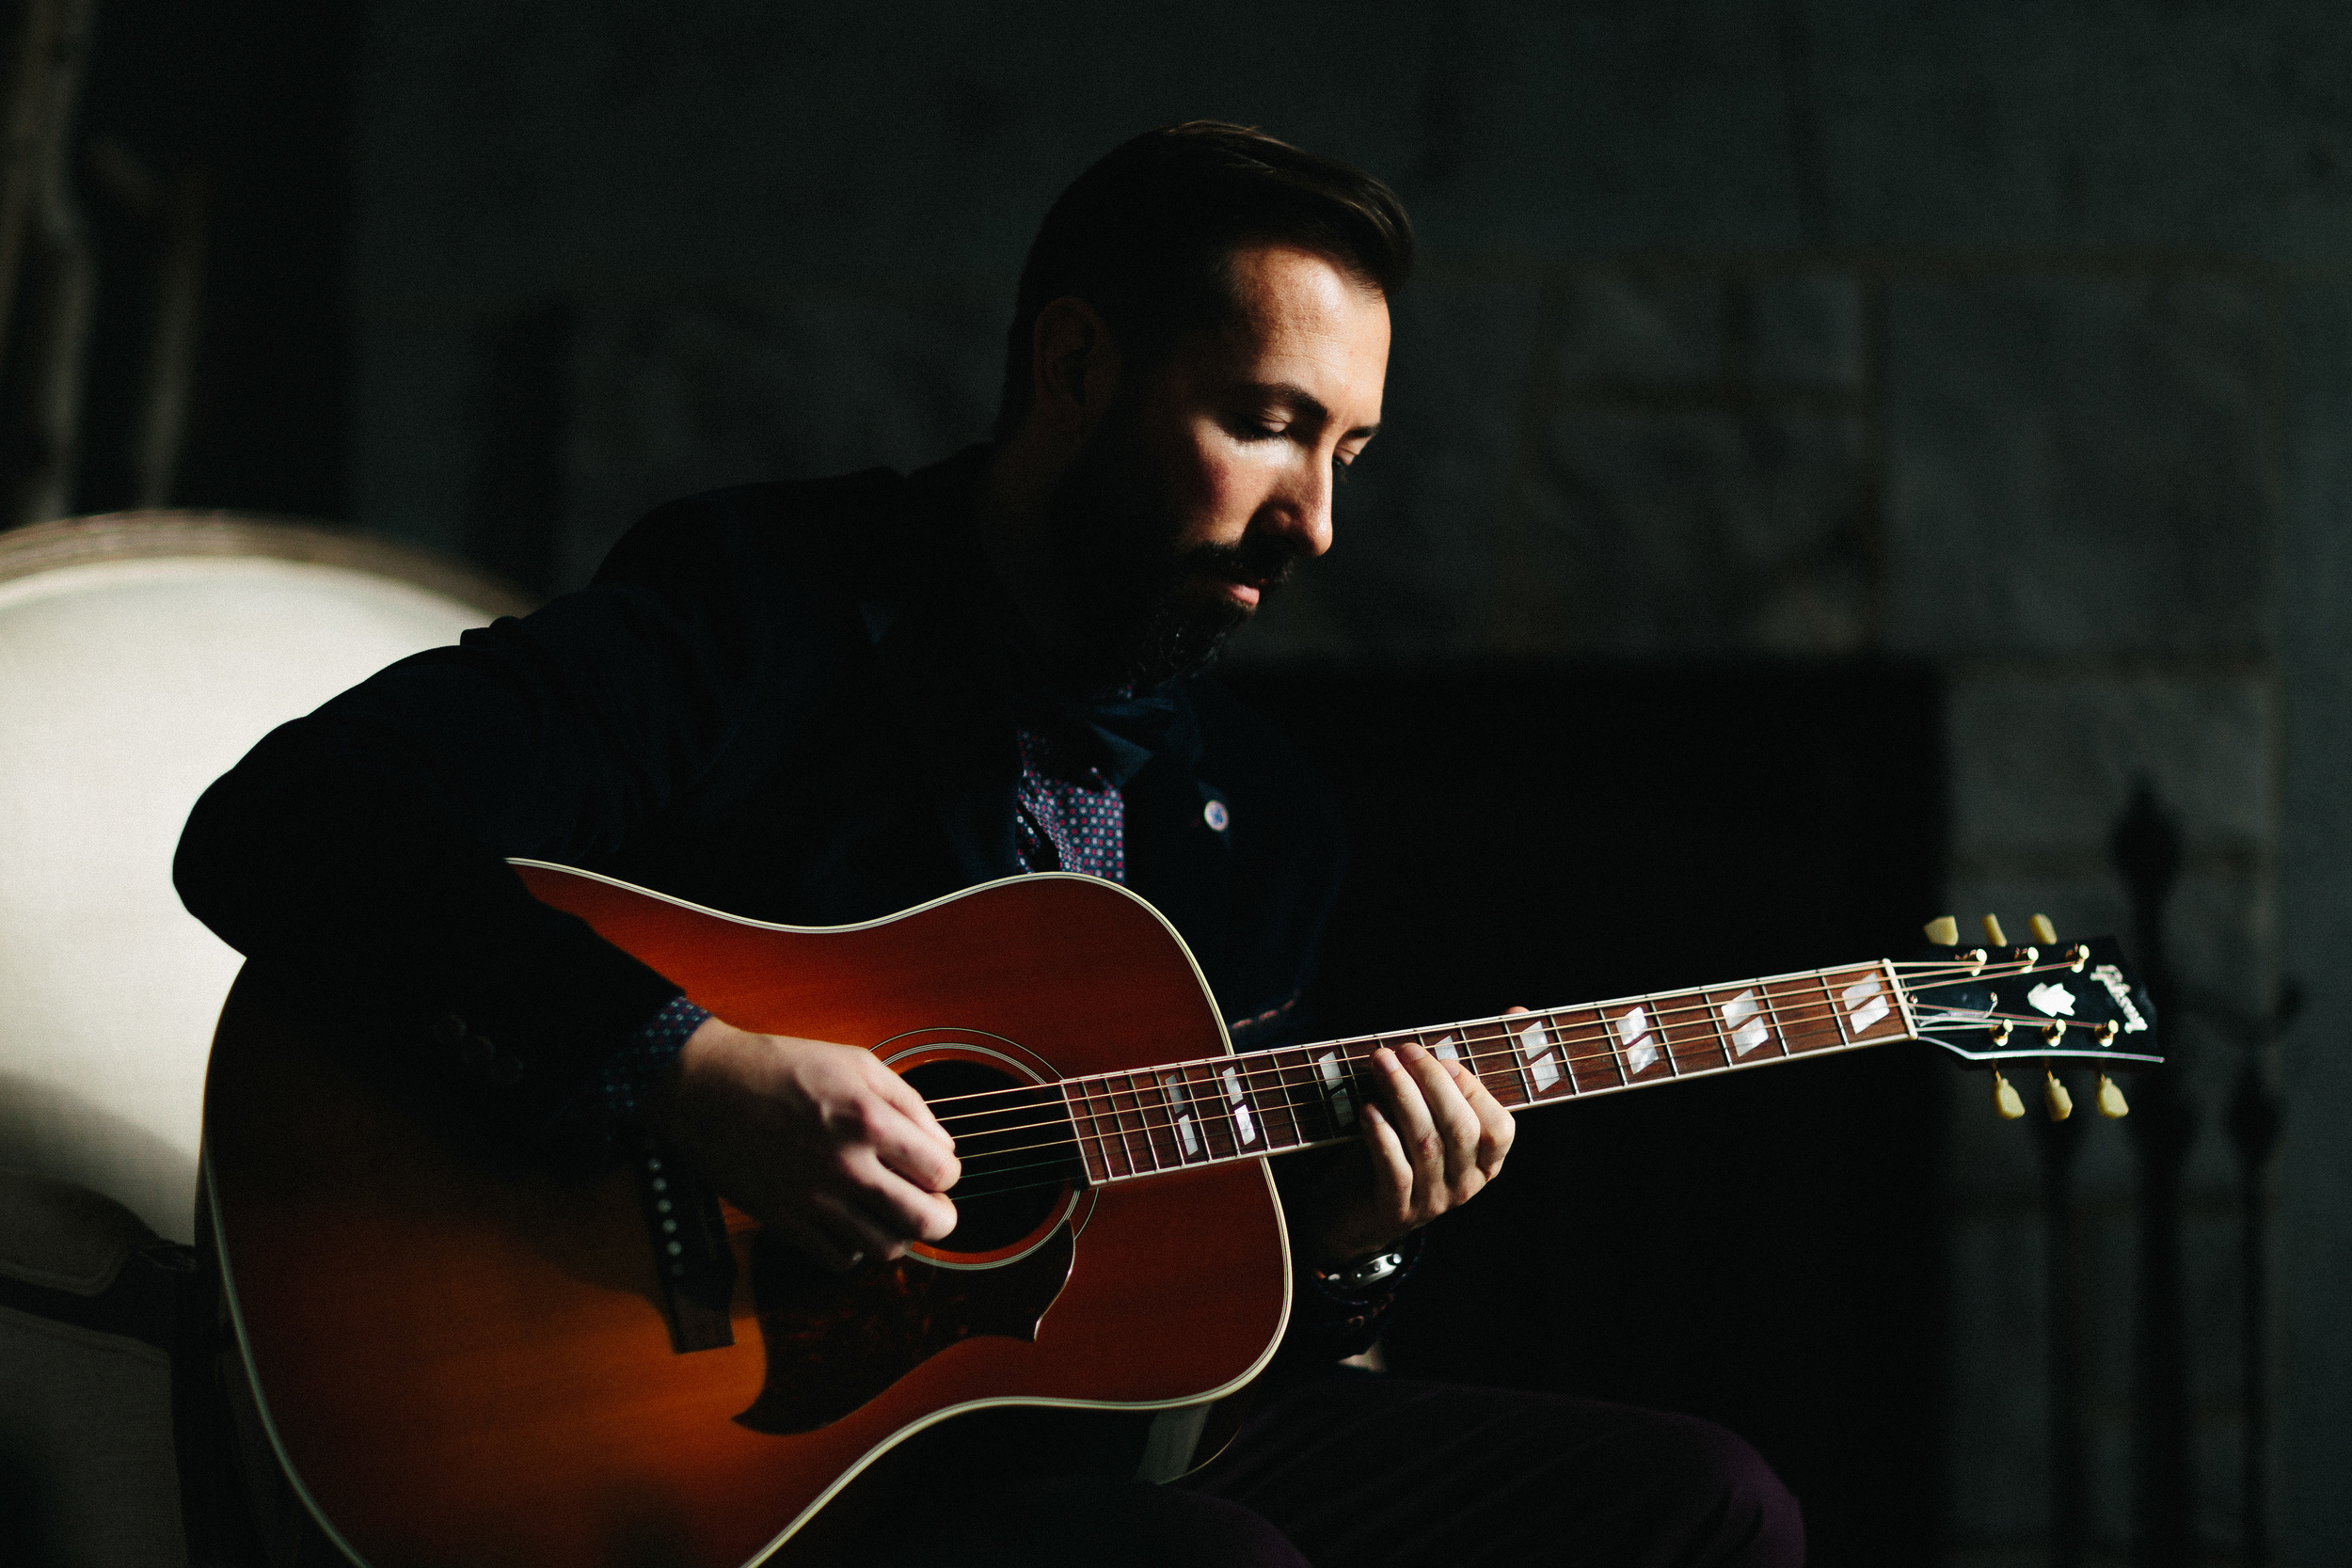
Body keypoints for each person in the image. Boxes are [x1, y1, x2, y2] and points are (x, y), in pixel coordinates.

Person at [176, 121, 1803, 1567]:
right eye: (1267, 424)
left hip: (1050, 1436)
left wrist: (1347, 1246)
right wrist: (686, 1067)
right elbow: (288, 826)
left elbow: (1194, 1331)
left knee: (1707, 1502)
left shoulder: (1263, 813)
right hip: (735, 1450)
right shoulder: (763, 613)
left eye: (1348, 454)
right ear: (1076, 365)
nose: (1316, 517)